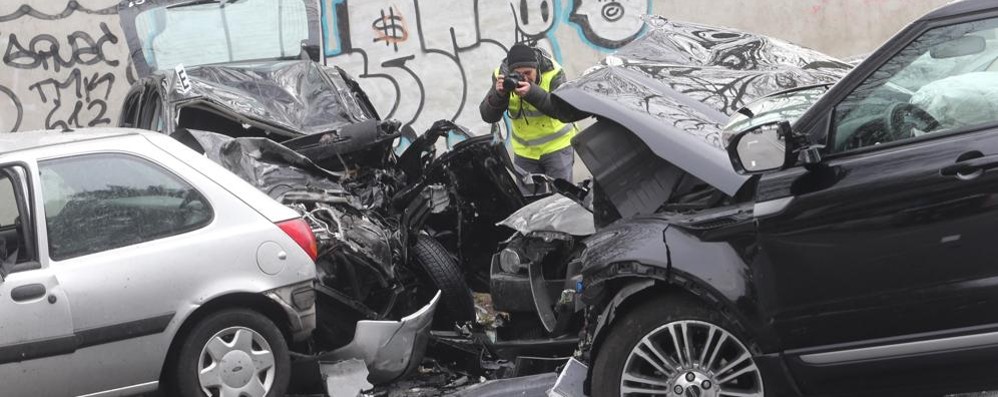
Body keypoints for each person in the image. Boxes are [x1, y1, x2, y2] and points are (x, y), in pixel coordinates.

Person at [480, 43, 577, 182]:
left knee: (562, 198)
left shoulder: (553, 73)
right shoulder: (500, 75)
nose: (524, 78)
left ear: (536, 68)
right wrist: (499, 95)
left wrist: (531, 92)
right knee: (531, 200)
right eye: (518, 74)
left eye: (528, 73)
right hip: (525, 152)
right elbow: (487, 116)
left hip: (557, 147)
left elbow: (563, 111)